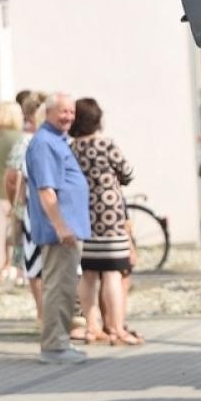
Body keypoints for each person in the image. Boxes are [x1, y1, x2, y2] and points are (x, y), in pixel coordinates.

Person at [25, 92, 92, 364]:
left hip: (68, 229)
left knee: (65, 287)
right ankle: (54, 346)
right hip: (59, 231)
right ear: (49, 113)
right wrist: (61, 226)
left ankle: (60, 341)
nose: (68, 117)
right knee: (58, 287)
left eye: (72, 112)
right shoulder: (44, 143)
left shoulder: (56, 141)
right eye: (63, 111)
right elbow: (46, 191)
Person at [69, 98, 142, 346]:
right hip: (110, 213)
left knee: (88, 273)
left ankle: (91, 326)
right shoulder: (105, 144)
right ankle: (117, 328)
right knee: (112, 273)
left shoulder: (72, 147)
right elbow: (128, 172)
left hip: (84, 213)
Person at [3, 93, 46, 317]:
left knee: (36, 264)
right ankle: (45, 314)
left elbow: (10, 178)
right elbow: (11, 177)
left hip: (34, 210)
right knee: (36, 263)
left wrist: (15, 204)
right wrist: (16, 205)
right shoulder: (31, 139)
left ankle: (45, 314)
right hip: (36, 210)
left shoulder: (29, 139)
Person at [0, 100, 23, 286]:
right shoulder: (19, 138)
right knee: (17, 232)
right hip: (16, 192)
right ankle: (17, 268)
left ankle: (4, 265)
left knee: (3, 231)